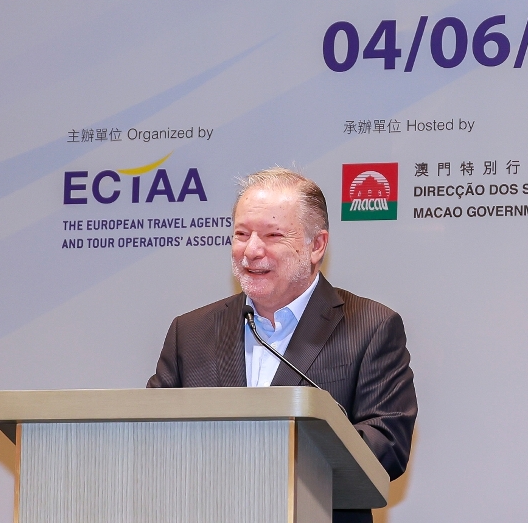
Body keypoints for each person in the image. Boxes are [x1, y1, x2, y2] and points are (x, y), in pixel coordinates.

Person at [148, 167, 417, 523]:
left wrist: (270, 456)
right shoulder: (191, 331)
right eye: (241, 234)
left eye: (272, 235)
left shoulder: (370, 327)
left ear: (316, 245)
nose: (251, 251)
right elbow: (149, 437)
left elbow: (386, 445)